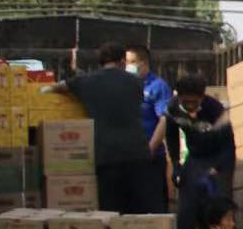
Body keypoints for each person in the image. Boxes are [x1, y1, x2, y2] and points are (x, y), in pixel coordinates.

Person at [45, 43, 158, 214]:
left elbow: (53, 88)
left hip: (106, 155)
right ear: (122, 61)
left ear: (100, 62)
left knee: (111, 211)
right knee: (140, 211)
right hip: (137, 153)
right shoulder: (136, 82)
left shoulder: (86, 81)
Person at [163, 75, 236, 229]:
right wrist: (176, 164)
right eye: (186, 102)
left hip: (218, 154)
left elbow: (228, 144)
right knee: (187, 204)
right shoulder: (173, 108)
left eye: (194, 102)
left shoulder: (215, 109)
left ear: (202, 98)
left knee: (220, 205)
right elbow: (171, 136)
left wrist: (219, 168)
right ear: (178, 97)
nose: (190, 107)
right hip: (196, 156)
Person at [125, 44, 174, 212]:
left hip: (151, 157)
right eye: (126, 62)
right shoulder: (125, 85)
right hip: (128, 157)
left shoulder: (158, 86)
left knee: (154, 207)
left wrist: (150, 149)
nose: (128, 66)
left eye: (132, 62)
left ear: (144, 63)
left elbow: (164, 119)